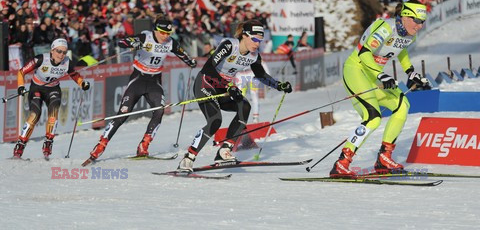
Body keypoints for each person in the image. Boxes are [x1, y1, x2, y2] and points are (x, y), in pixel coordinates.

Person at [330, 0, 430, 178]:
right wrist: (380, 75)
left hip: (374, 75)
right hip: (357, 70)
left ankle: (384, 158)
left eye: (422, 21)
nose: (419, 25)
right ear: (405, 16)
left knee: (402, 105)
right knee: (373, 117)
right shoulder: (385, 27)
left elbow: (402, 51)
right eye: (417, 20)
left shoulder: (409, 33)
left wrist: (410, 72)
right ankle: (342, 163)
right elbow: (365, 53)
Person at [177, 20, 292, 172]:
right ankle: (188, 158)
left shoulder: (254, 55)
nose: (257, 43)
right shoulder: (229, 45)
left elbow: (261, 75)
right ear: (245, 35)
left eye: (260, 40)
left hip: (224, 88)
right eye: (255, 39)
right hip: (206, 83)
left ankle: (225, 150)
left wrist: (279, 85)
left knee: (244, 106)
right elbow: (209, 68)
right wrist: (229, 86)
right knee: (215, 121)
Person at [84, 18, 196, 164]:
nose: (165, 36)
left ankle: (144, 145)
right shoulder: (145, 37)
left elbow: (182, 54)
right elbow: (121, 42)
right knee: (123, 114)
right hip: (138, 79)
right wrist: (133, 43)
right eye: (162, 32)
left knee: (159, 111)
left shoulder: (170, 43)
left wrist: (190, 62)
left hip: (154, 81)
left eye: (168, 33)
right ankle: (101, 145)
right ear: (156, 30)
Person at [13, 38, 90, 159]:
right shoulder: (41, 59)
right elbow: (21, 72)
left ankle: (48, 143)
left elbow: (75, 75)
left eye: (64, 52)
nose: (61, 55)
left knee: (53, 114)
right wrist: (21, 86)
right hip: (37, 88)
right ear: (52, 50)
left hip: (53, 90)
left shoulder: (67, 63)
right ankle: (20, 144)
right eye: (59, 51)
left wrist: (83, 83)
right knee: (35, 115)